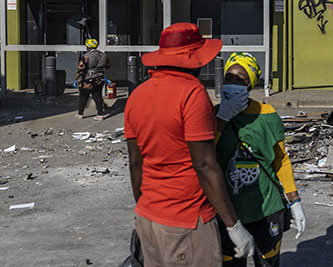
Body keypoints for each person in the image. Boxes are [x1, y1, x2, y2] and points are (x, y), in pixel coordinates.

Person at [124, 23, 255, 266]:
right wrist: (233, 224)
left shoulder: (137, 95)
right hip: (187, 222)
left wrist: (147, 207)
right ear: (194, 59)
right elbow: (204, 165)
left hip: (147, 217)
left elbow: (135, 162)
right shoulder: (192, 93)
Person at [214, 52, 306, 267]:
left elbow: (280, 160)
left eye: (241, 80)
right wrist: (222, 119)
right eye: (229, 77)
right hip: (228, 212)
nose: (233, 84)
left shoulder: (267, 115)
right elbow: (204, 156)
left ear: (251, 85)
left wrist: (295, 201)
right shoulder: (212, 115)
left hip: (266, 208)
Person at [75, 38, 110, 120]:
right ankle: (100, 114)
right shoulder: (103, 55)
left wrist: (77, 77)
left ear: (88, 47)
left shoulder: (86, 56)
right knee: (98, 97)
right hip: (99, 79)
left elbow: (81, 68)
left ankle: (80, 114)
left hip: (87, 79)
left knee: (83, 96)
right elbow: (108, 65)